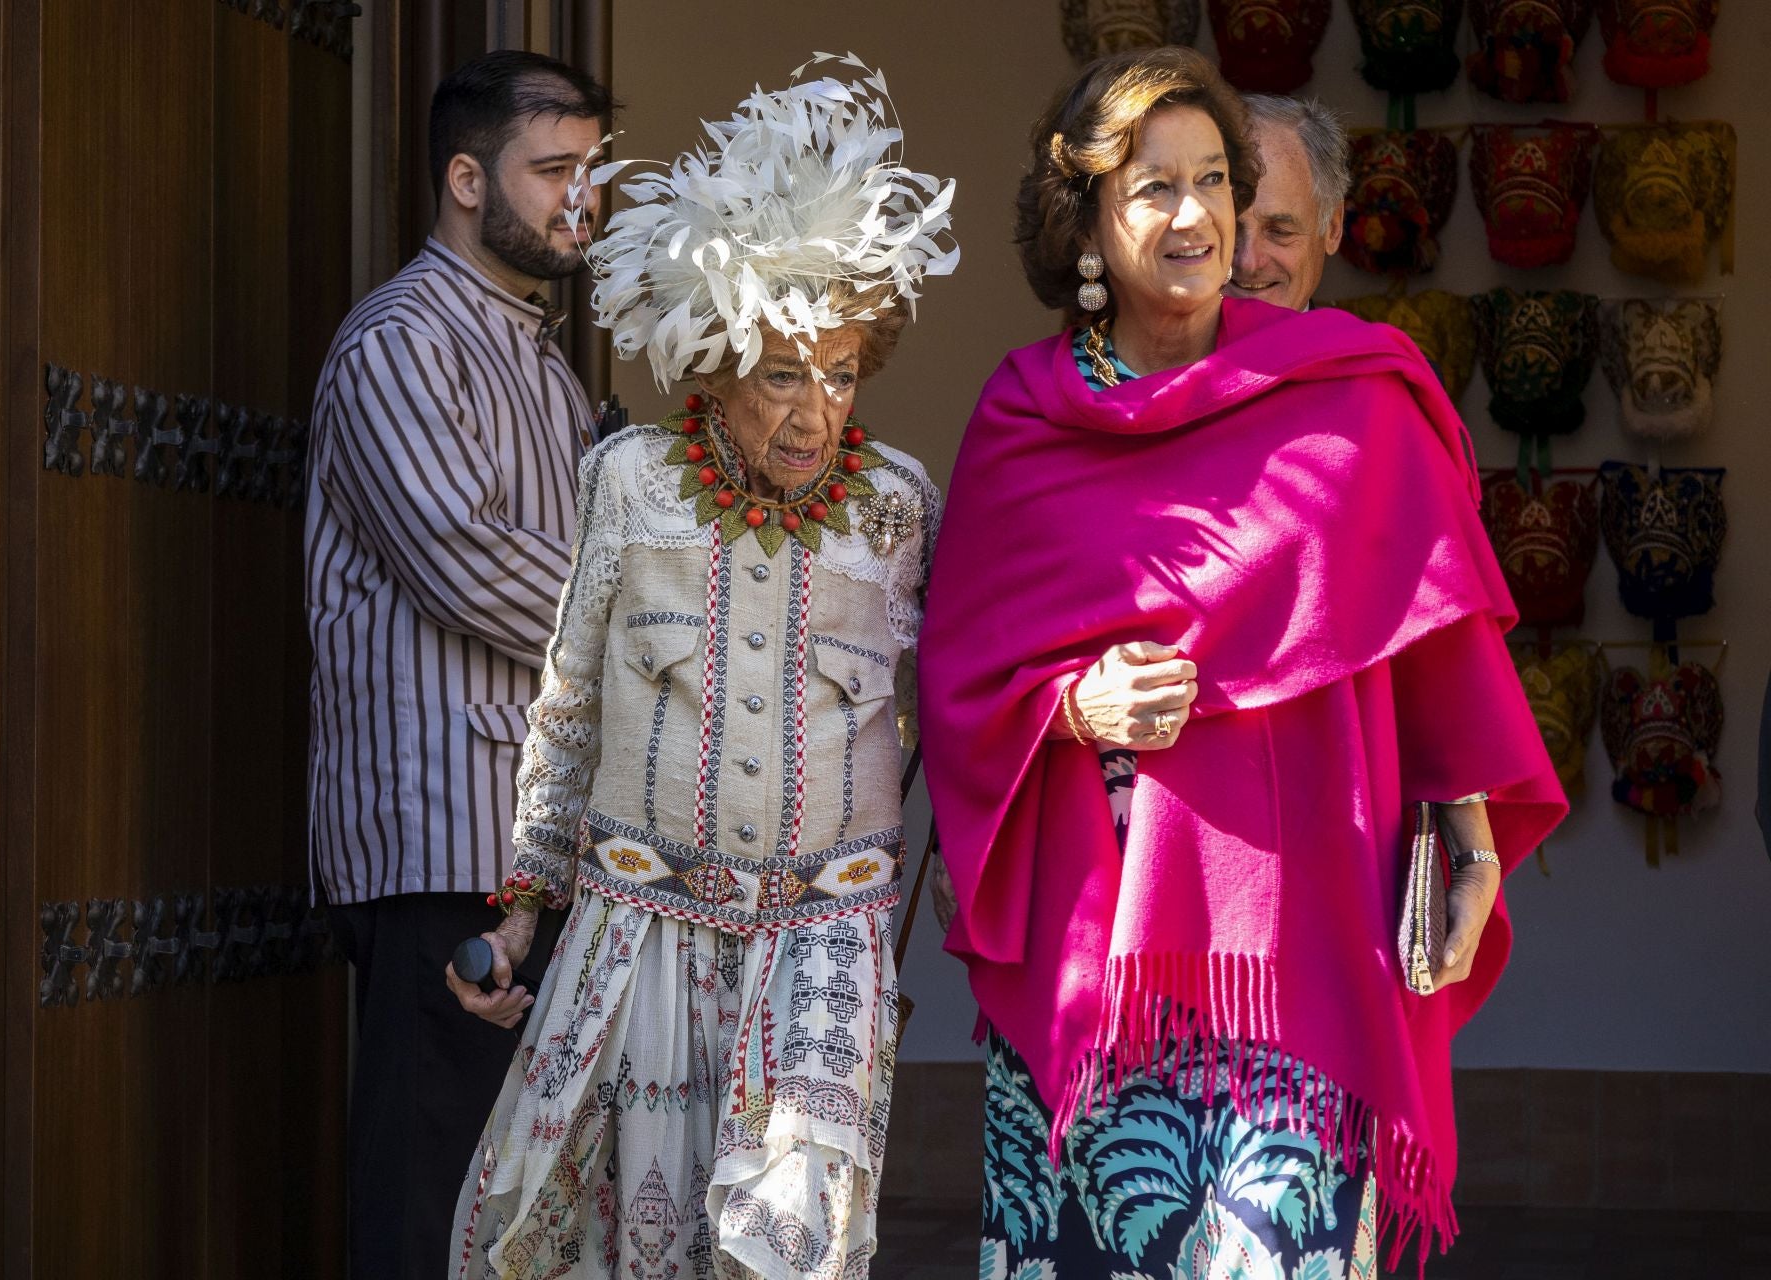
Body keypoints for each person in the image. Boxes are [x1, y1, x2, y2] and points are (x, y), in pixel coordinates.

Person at [919, 47, 1566, 1278]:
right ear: (1087, 222)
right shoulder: (1021, 419)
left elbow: (1435, 648)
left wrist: (1474, 850)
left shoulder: (1351, 396)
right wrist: (1073, 704)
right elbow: (956, 682)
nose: (1196, 215)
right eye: (1153, 186)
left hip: (1307, 947)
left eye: (1213, 181)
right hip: (1097, 966)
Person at [446, 55, 955, 1280]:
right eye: (785, 373)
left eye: (840, 374)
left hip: (826, 938)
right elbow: (567, 702)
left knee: (790, 1245)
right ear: (717, 362)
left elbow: (945, 708)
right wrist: (524, 908)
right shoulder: (626, 487)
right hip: (644, 930)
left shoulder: (897, 507)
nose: (816, 411)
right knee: (640, 1243)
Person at [304, 49, 613, 1280]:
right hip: (444, 846)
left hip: (539, 843)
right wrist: (654, 618)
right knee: (430, 1204)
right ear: (467, 176)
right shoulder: (397, 342)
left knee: (526, 1215)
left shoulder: (540, 357)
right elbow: (466, 559)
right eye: (553, 171)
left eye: (591, 172)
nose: (577, 199)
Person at [1224, 93, 1347, 311]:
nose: (1248, 262)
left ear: (1332, 227)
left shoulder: (1369, 346)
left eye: (1279, 232)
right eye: (1228, 229)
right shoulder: (1148, 345)